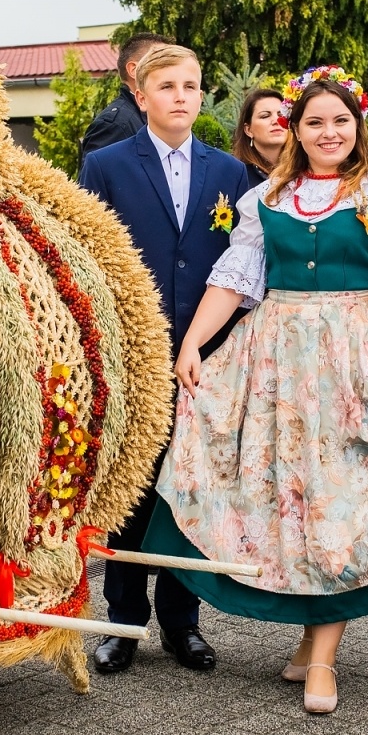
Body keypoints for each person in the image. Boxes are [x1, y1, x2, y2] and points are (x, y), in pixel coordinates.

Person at [143, 67, 368, 715]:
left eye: (340, 121)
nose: (329, 132)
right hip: (278, 366)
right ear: (295, 128)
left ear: (358, 128)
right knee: (291, 502)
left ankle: (322, 658)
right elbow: (235, 279)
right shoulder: (268, 197)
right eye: (315, 121)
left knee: (338, 507)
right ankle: (306, 645)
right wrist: (193, 344)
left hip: (357, 365)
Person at [79, 43, 249, 675]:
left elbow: (239, 261)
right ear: (142, 95)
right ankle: (122, 621)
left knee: (190, 483)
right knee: (131, 487)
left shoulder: (228, 173)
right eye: (169, 86)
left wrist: (215, 339)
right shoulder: (107, 165)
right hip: (136, 348)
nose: (182, 96)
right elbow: (90, 254)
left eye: (192, 86)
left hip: (203, 351)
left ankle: (184, 622)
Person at [77, 31, 170, 164]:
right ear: (134, 70)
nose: (172, 68)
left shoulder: (147, 116)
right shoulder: (116, 125)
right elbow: (91, 183)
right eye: (163, 62)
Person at [231, 86, 286, 181]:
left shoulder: (304, 169)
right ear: (248, 130)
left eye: (281, 115)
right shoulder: (237, 174)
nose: (276, 121)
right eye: (265, 116)